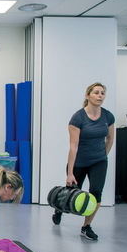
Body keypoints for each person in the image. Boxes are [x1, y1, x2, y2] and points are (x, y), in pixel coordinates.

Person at [53, 82, 115, 241]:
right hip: (79, 162)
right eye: (96, 92)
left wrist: (103, 156)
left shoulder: (108, 116)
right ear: (88, 95)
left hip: (99, 161)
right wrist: (70, 173)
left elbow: (110, 139)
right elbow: (73, 147)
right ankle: (59, 210)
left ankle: (86, 227)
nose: (100, 95)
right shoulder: (78, 117)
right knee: (70, 194)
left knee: (96, 193)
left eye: (102, 93)